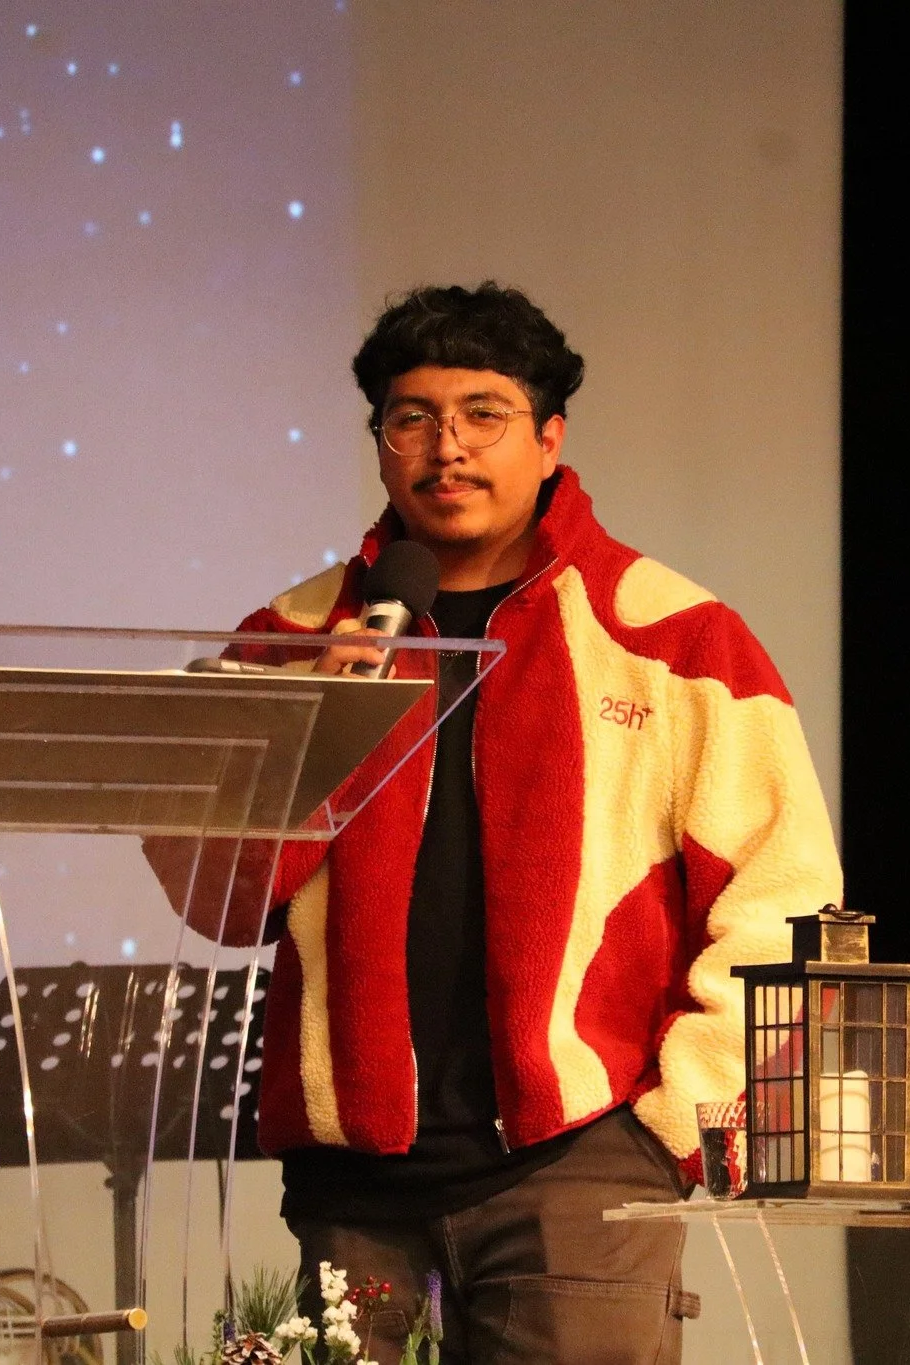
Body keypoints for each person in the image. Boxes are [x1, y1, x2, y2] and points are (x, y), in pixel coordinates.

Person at [149, 283, 842, 1363]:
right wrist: (314, 728)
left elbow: (786, 902)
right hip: (353, 1189)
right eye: (410, 419)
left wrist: (676, 1123)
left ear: (549, 435)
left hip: (580, 1170)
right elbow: (217, 899)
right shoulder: (291, 637)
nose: (445, 449)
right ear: (379, 445)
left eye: (483, 415)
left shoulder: (674, 635)